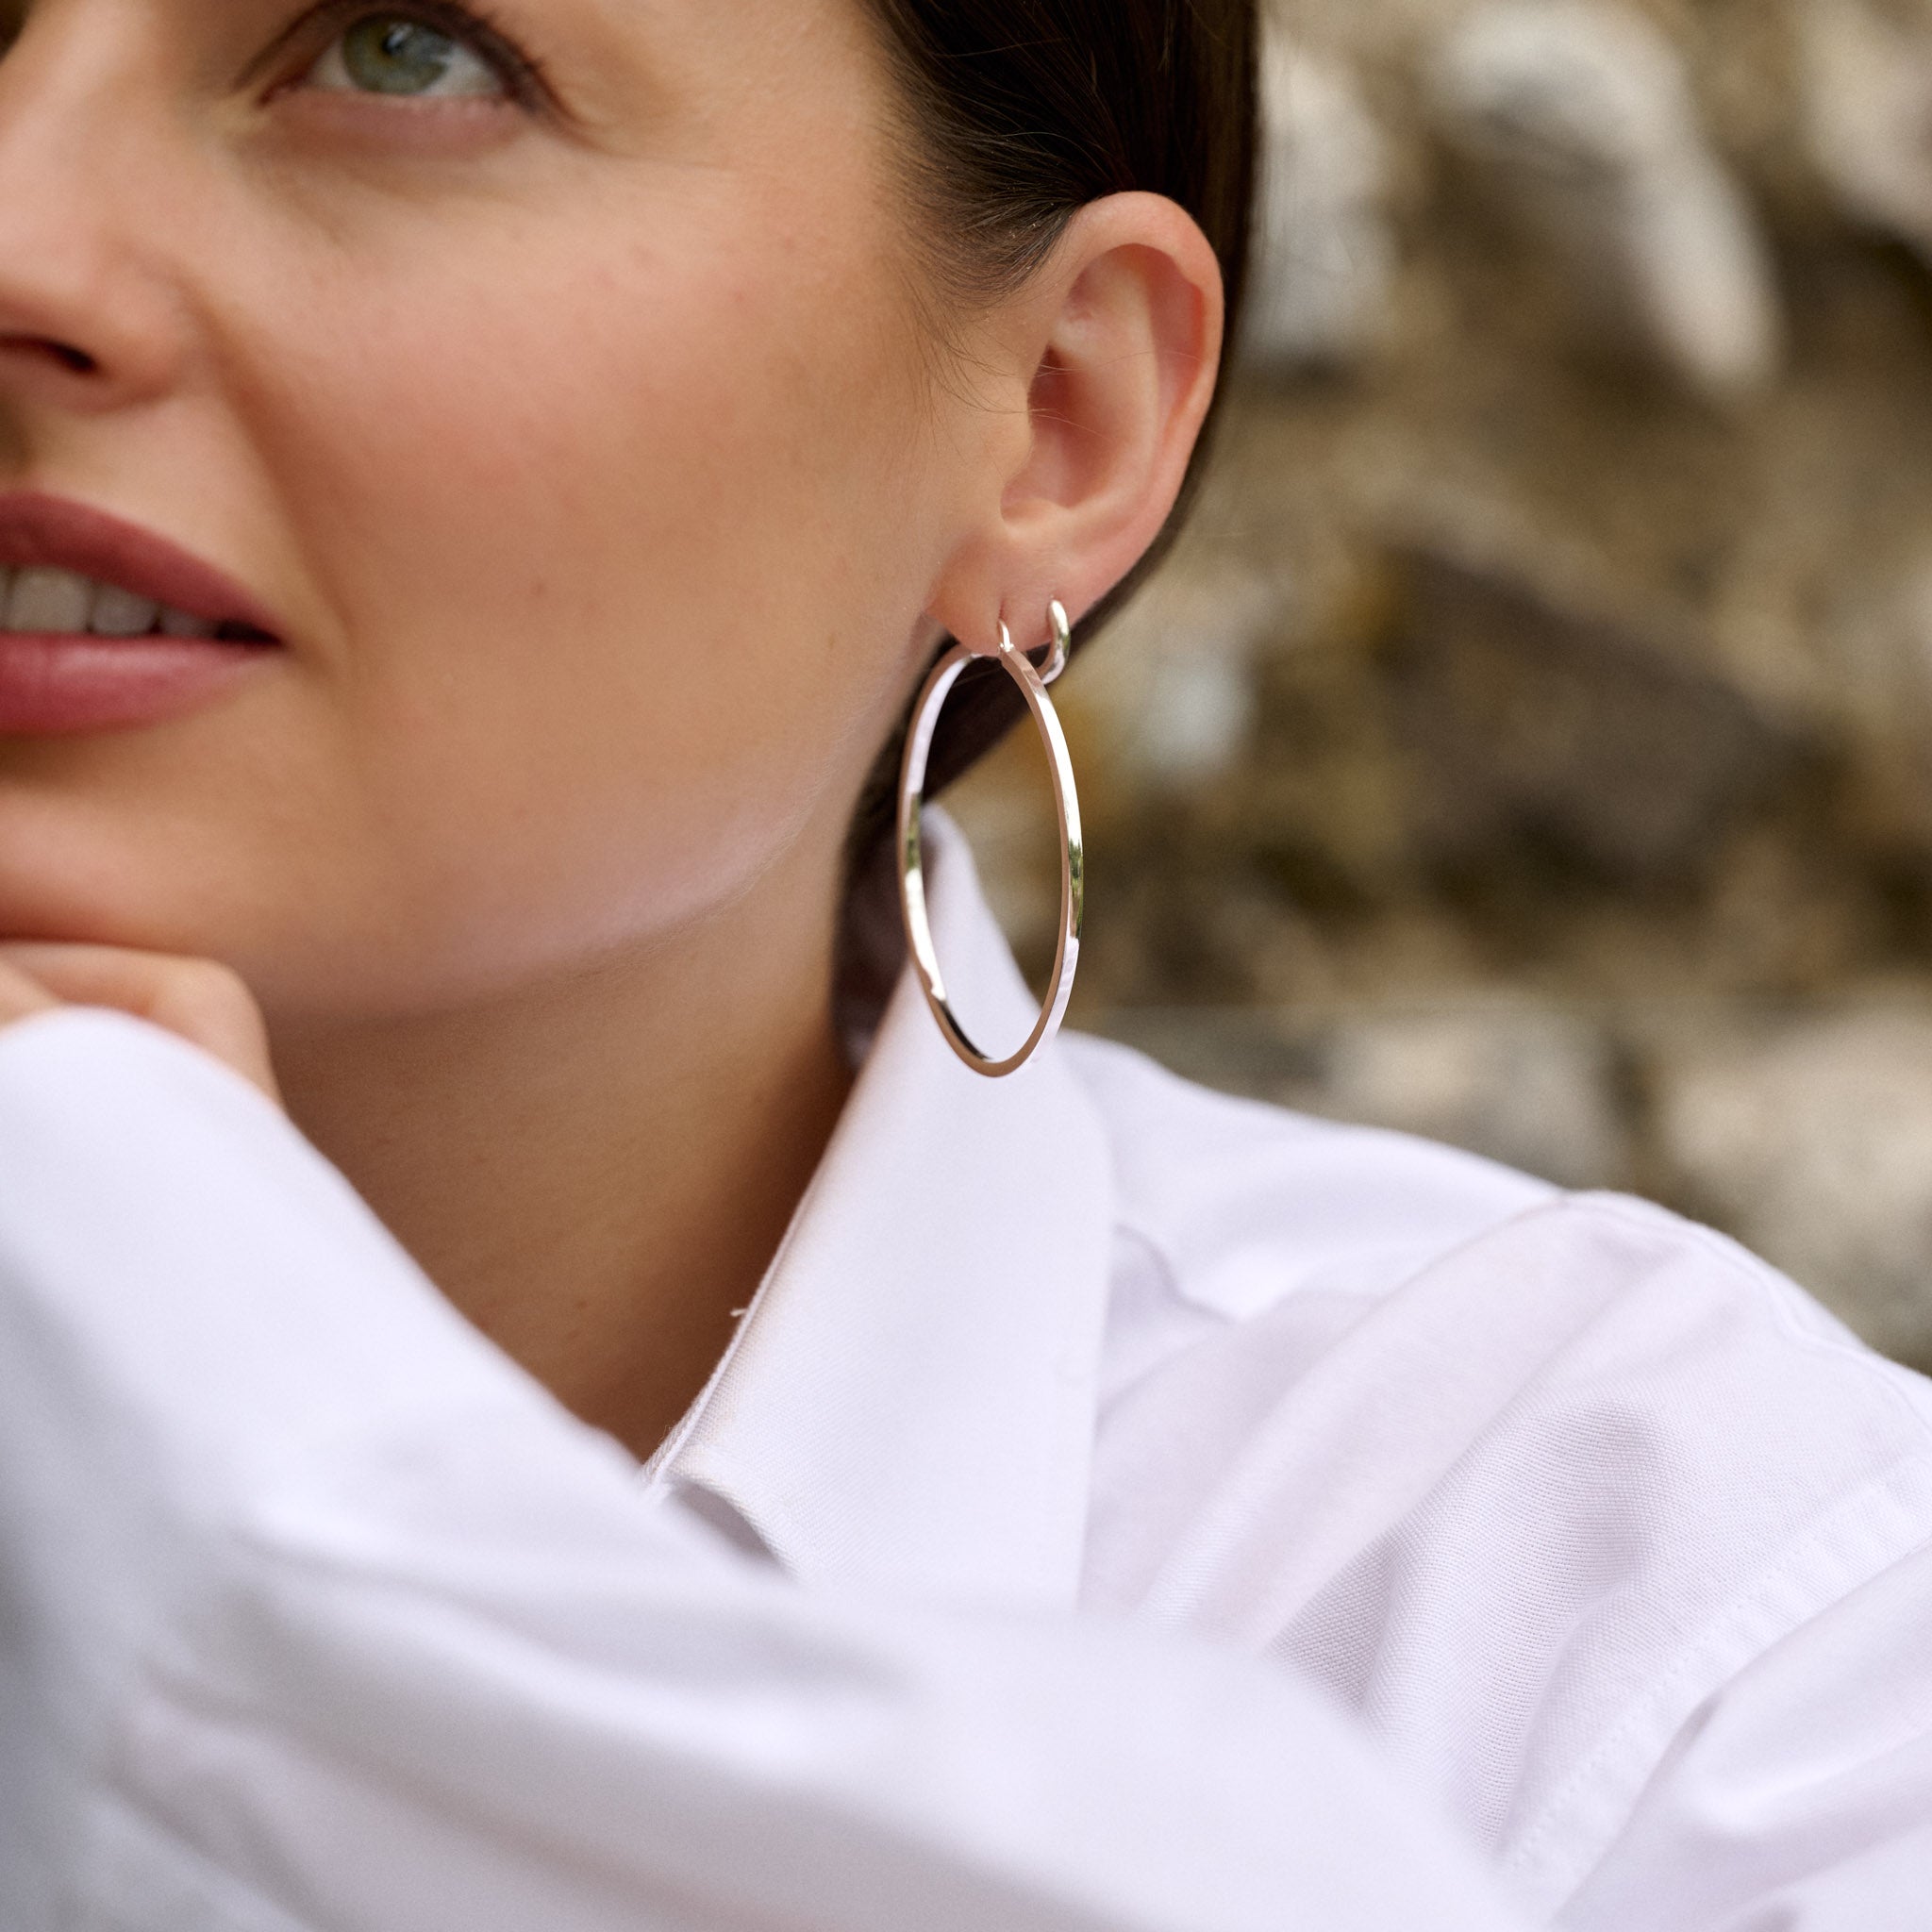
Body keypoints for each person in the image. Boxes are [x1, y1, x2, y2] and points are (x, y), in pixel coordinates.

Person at [2, 3, 1930, 1926]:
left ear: (1056, 415)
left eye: (405, 52)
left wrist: (241, 1537)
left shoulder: (1699, 1636)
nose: (19, 234)